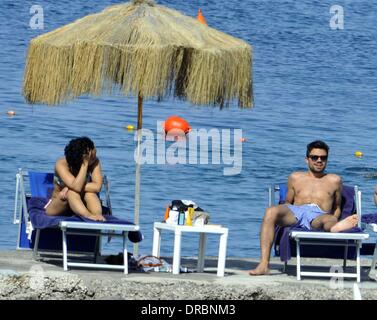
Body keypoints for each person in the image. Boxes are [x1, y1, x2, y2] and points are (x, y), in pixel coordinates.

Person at [249, 140, 358, 276]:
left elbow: (336, 206)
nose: (319, 161)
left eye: (323, 158)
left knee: (329, 220)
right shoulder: (295, 177)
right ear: (307, 159)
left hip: (319, 214)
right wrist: (279, 216)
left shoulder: (334, 180)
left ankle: (335, 226)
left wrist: (334, 217)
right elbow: (288, 202)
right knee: (270, 211)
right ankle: (264, 265)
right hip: (296, 211)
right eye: (315, 157)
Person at [45, 136, 106, 221]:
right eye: (91, 154)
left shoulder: (95, 161)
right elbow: (76, 187)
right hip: (60, 204)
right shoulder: (61, 164)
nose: (95, 154)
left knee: (90, 193)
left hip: (82, 205)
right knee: (71, 193)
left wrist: (69, 187)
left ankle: (98, 216)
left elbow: (97, 187)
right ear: (83, 157)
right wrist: (85, 164)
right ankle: (88, 216)